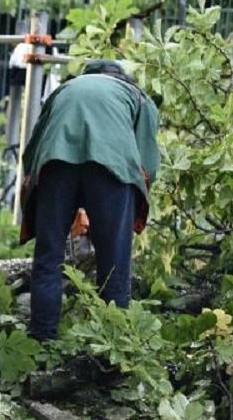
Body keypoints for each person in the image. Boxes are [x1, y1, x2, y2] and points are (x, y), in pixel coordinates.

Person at [18, 59, 160, 342]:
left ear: (88, 75)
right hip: (112, 169)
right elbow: (146, 164)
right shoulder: (138, 97)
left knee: (48, 258)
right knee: (114, 264)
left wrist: (45, 197)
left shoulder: (64, 90)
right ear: (122, 77)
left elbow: (33, 149)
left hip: (55, 165)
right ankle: (112, 347)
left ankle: (41, 341)